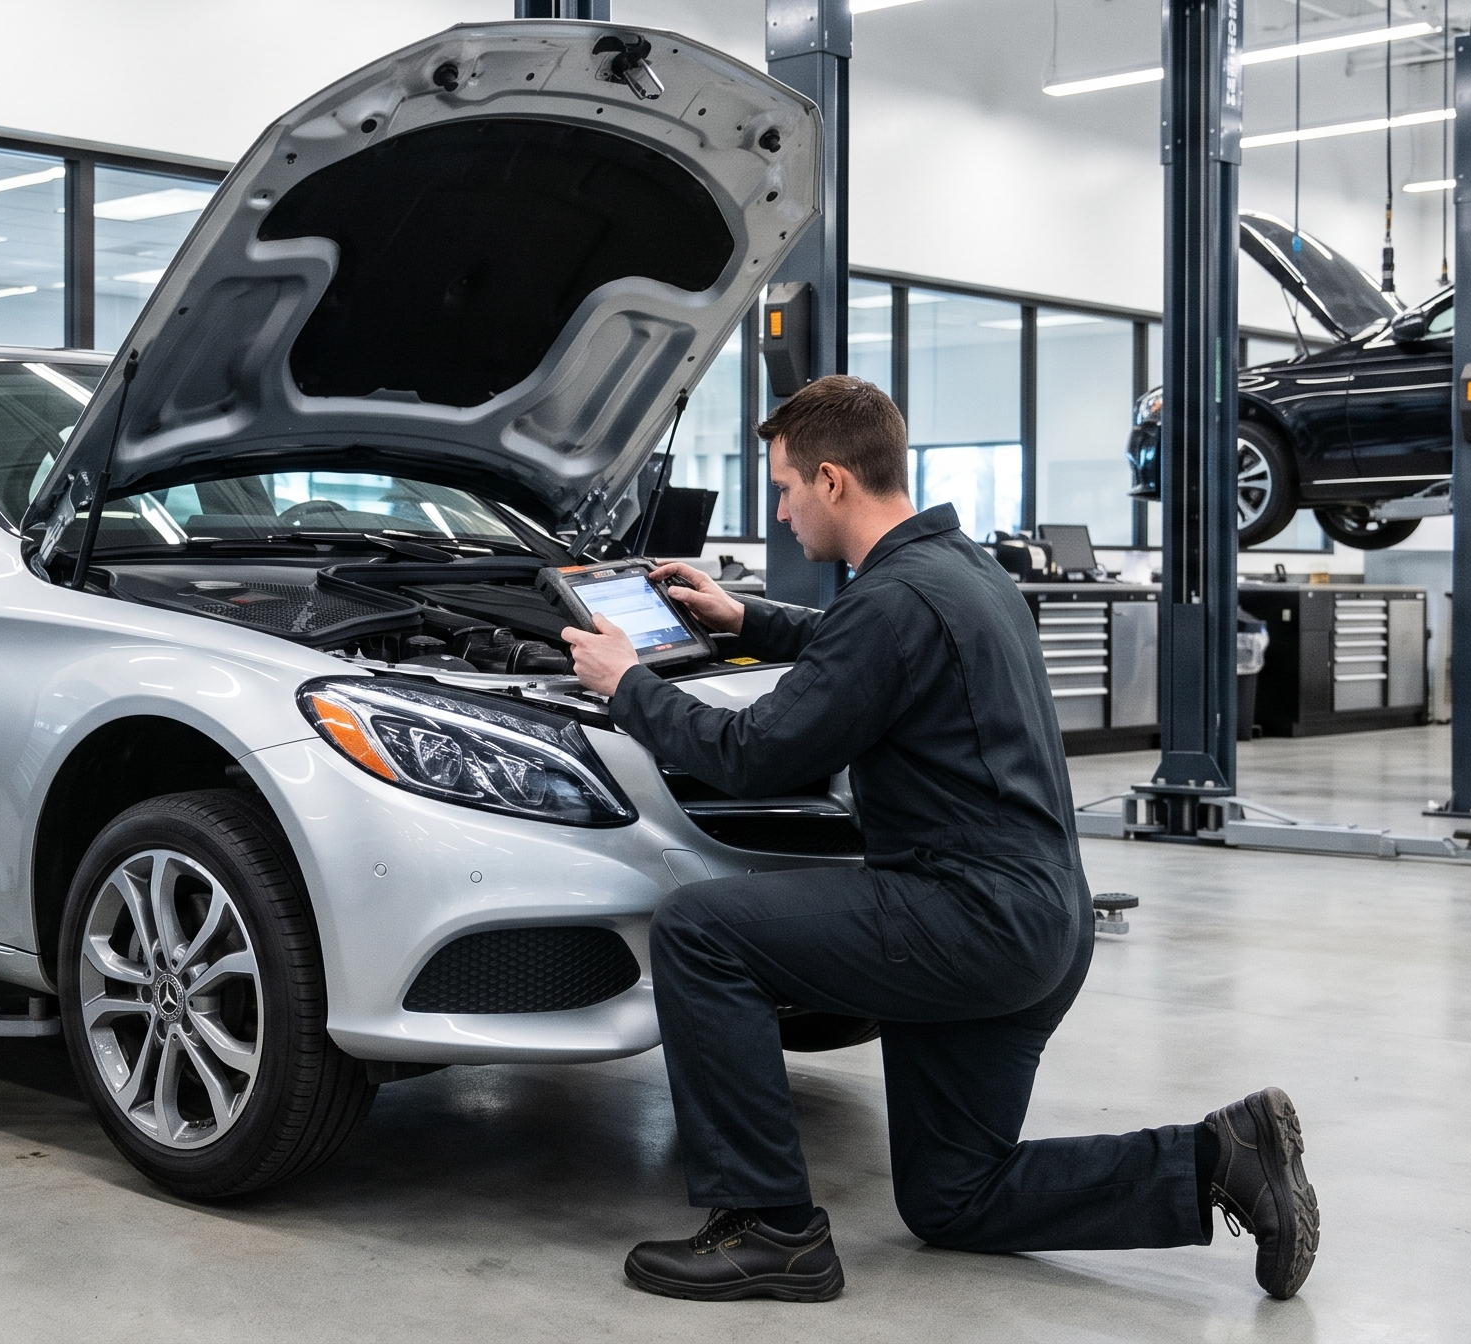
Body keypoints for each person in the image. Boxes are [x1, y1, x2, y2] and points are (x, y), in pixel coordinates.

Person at [558, 375, 1319, 1304]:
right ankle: (1221, 1158)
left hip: (969, 918)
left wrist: (627, 681)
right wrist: (746, 616)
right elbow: (866, 642)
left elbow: (753, 755)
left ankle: (769, 1228)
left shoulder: (893, 600)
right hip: (1042, 921)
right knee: (953, 1196)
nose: (784, 512)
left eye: (787, 488)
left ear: (833, 480)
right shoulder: (956, 565)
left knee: (701, 928)